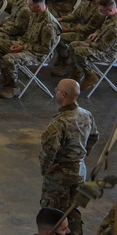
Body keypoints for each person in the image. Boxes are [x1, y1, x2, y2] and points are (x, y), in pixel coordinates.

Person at [40, 79, 99, 235]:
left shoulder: (59, 123)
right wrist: (81, 154)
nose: (55, 92)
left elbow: (49, 151)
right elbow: (94, 137)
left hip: (60, 175)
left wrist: (46, 168)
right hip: (79, 170)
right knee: (72, 210)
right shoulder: (86, 115)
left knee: (54, 214)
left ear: (63, 94)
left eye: (57, 90)